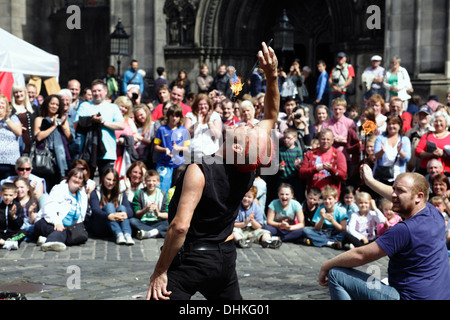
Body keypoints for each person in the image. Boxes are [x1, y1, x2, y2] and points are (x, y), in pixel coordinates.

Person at [146, 42, 280, 300]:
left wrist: (160, 270)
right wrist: (271, 75)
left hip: (192, 260)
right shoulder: (247, 168)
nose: (250, 122)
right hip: (224, 259)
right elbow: (271, 115)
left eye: (250, 129)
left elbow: (180, 228)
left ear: (239, 149)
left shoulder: (200, 171)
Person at [319, 168, 450, 300]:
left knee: (336, 274)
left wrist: (326, 265)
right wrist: (369, 181)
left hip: (408, 297)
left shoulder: (404, 230)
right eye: (394, 189)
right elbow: (404, 195)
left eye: (400, 191)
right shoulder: (434, 213)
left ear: (419, 197)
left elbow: (361, 255)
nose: (393, 194)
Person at [74, 79, 125, 179]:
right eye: (94, 91)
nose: (96, 93)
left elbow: (121, 125)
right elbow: (76, 125)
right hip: (88, 152)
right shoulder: (85, 106)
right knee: (85, 182)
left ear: (105, 91)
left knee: (107, 185)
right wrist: (90, 120)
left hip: (107, 153)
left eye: (99, 90)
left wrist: (103, 122)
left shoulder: (113, 107)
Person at [33, 168, 88, 252]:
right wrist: (57, 222)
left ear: (82, 182)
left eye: (80, 178)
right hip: (47, 222)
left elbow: (81, 216)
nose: (77, 180)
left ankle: (45, 239)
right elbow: (49, 209)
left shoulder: (82, 195)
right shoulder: (59, 189)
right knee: (62, 231)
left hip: (67, 226)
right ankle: (50, 242)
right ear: (69, 177)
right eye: (75, 176)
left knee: (81, 235)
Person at [34, 95, 73, 190]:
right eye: (52, 103)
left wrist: (63, 126)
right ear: (47, 104)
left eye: (57, 104)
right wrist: (53, 126)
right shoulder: (40, 119)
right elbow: (38, 137)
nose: (54, 106)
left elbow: (70, 139)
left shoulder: (63, 120)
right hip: (45, 159)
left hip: (61, 159)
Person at [88, 168, 135, 245]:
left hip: (117, 223)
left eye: (114, 180)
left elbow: (130, 210)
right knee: (109, 206)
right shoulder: (96, 192)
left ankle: (127, 235)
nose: (111, 182)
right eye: (108, 179)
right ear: (103, 178)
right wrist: (109, 216)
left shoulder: (120, 192)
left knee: (122, 208)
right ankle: (119, 234)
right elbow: (95, 210)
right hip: (101, 225)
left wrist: (124, 214)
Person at [299, 129, 347, 197]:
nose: (325, 142)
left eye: (328, 139)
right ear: (318, 139)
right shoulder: (310, 153)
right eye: (323, 139)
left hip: (331, 197)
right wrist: (315, 169)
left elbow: (343, 176)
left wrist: (331, 169)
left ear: (332, 141)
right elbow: (301, 173)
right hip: (314, 197)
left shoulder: (338, 154)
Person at [154, 104, 190, 192]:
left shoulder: (183, 130)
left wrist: (178, 148)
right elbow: (156, 146)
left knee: (176, 189)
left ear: (180, 117)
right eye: (172, 115)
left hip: (179, 164)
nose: (174, 118)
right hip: (164, 163)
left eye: (177, 116)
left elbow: (187, 148)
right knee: (162, 189)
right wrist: (165, 149)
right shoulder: (161, 129)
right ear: (168, 116)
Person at [373, 115, 411, 185]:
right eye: (389, 124)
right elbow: (376, 155)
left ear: (399, 125)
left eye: (393, 124)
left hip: (398, 178)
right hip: (382, 176)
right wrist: (382, 151)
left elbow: (407, 158)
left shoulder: (405, 140)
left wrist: (400, 152)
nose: (391, 126)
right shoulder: (380, 138)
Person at [131, 170, 169, 239]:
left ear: (158, 182)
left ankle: (149, 233)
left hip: (158, 222)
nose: (151, 183)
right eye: (148, 181)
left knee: (170, 222)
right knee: (132, 221)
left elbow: (167, 215)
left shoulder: (163, 194)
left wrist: (158, 213)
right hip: (144, 222)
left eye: (154, 181)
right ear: (145, 182)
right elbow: (137, 213)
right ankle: (156, 233)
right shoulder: (139, 193)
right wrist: (145, 210)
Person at [184, 93, 222, 160]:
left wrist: (209, 122)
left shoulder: (215, 115)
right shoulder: (190, 115)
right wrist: (197, 122)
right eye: (200, 104)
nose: (203, 106)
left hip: (211, 154)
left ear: (209, 105)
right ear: (196, 105)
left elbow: (217, 135)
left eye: (205, 104)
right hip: (193, 154)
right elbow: (187, 134)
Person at [322, 98, 357, 165]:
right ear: (332, 109)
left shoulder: (350, 123)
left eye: (340, 109)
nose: (337, 111)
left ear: (344, 110)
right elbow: (321, 140)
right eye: (335, 109)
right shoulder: (326, 124)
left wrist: (345, 141)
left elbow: (354, 141)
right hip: (329, 157)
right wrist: (333, 139)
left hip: (346, 156)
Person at [416, 110, 450, 175]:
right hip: (427, 172)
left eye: (441, 121)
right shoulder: (427, 135)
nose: (438, 123)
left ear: (446, 122)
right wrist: (432, 155)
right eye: (436, 121)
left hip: (446, 173)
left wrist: (443, 154)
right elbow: (418, 151)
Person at [10, 83, 38, 155]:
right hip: (16, 147)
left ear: (25, 93)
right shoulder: (10, 109)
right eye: (16, 92)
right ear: (13, 94)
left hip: (32, 147)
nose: (19, 94)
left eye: (20, 91)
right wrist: (15, 128)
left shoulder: (34, 108)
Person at [0, 94, 22, 180]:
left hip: (11, 162)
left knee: (8, 188)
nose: (0, 105)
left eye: (2, 103)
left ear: (7, 106)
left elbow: (19, 132)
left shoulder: (13, 118)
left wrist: (6, 118)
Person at [278, 127, 303, 201]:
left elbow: (301, 164)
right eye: (285, 138)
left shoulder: (297, 151)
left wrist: (298, 165)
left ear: (295, 138)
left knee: (295, 197)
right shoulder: (280, 150)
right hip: (283, 178)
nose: (286, 140)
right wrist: (278, 166)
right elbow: (275, 164)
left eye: (289, 138)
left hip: (294, 178)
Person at [407, 105, 433, 172]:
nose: (422, 116)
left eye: (425, 114)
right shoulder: (410, 133)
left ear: (430, 117)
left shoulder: (433, 132)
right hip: (411, 168)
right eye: (420, 114)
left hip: (427, 169)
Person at [0, 183, 24, 250]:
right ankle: (6, 243)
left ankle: (9, 242)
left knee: (23, 233)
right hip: (1, 234)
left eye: (10, 195)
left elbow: (20, 224)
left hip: (12, 234)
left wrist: (14, 216)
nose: (7, 197)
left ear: (15, 195)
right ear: (1, 194)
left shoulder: (18, 207)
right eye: (5, 195)